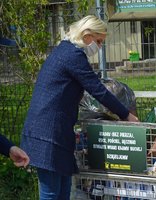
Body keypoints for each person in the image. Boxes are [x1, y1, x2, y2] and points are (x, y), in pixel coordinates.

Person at [21, 15, 139, 200]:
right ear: (86, 35)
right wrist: (126, 115)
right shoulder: (73, 55)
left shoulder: (65, 50)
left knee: (63, 189)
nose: (99, 47)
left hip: (54, 132)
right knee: (52, 193)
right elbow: (97, 90)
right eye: (99, 41)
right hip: (48, 134)